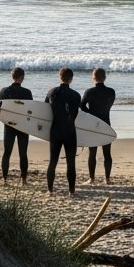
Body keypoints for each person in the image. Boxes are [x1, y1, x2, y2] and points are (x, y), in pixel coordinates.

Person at [45, 67, 81, 196]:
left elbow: (44, 112)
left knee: (52, 161)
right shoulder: (76, 95)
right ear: (71, 79)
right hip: (70, 132)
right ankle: (71, 192)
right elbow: (77, 112)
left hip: (55, 131)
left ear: (59, 77)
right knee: (71, 163)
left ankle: (50, 190)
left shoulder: (51, 93)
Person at [0, 67, 32, 185]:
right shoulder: (27, 92)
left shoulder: (4, 91)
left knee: (7, 152)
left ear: (12, 76)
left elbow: (1, 109)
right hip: (23, 125)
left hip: (9, 125)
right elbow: (30, 111)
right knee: (23, 153)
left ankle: (5, 180)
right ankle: (23, 180)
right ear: (22, 77)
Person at [82, 68, 116, 184]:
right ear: (104, 77)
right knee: (107, 153)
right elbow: (109, 105)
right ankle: (107, 179)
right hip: (106, 123)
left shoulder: (89, 92)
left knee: (92, 153)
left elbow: (82, 106)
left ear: (93, 77)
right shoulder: (111, 91)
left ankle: (91, 179)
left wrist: (91, 114)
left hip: (93, 125)